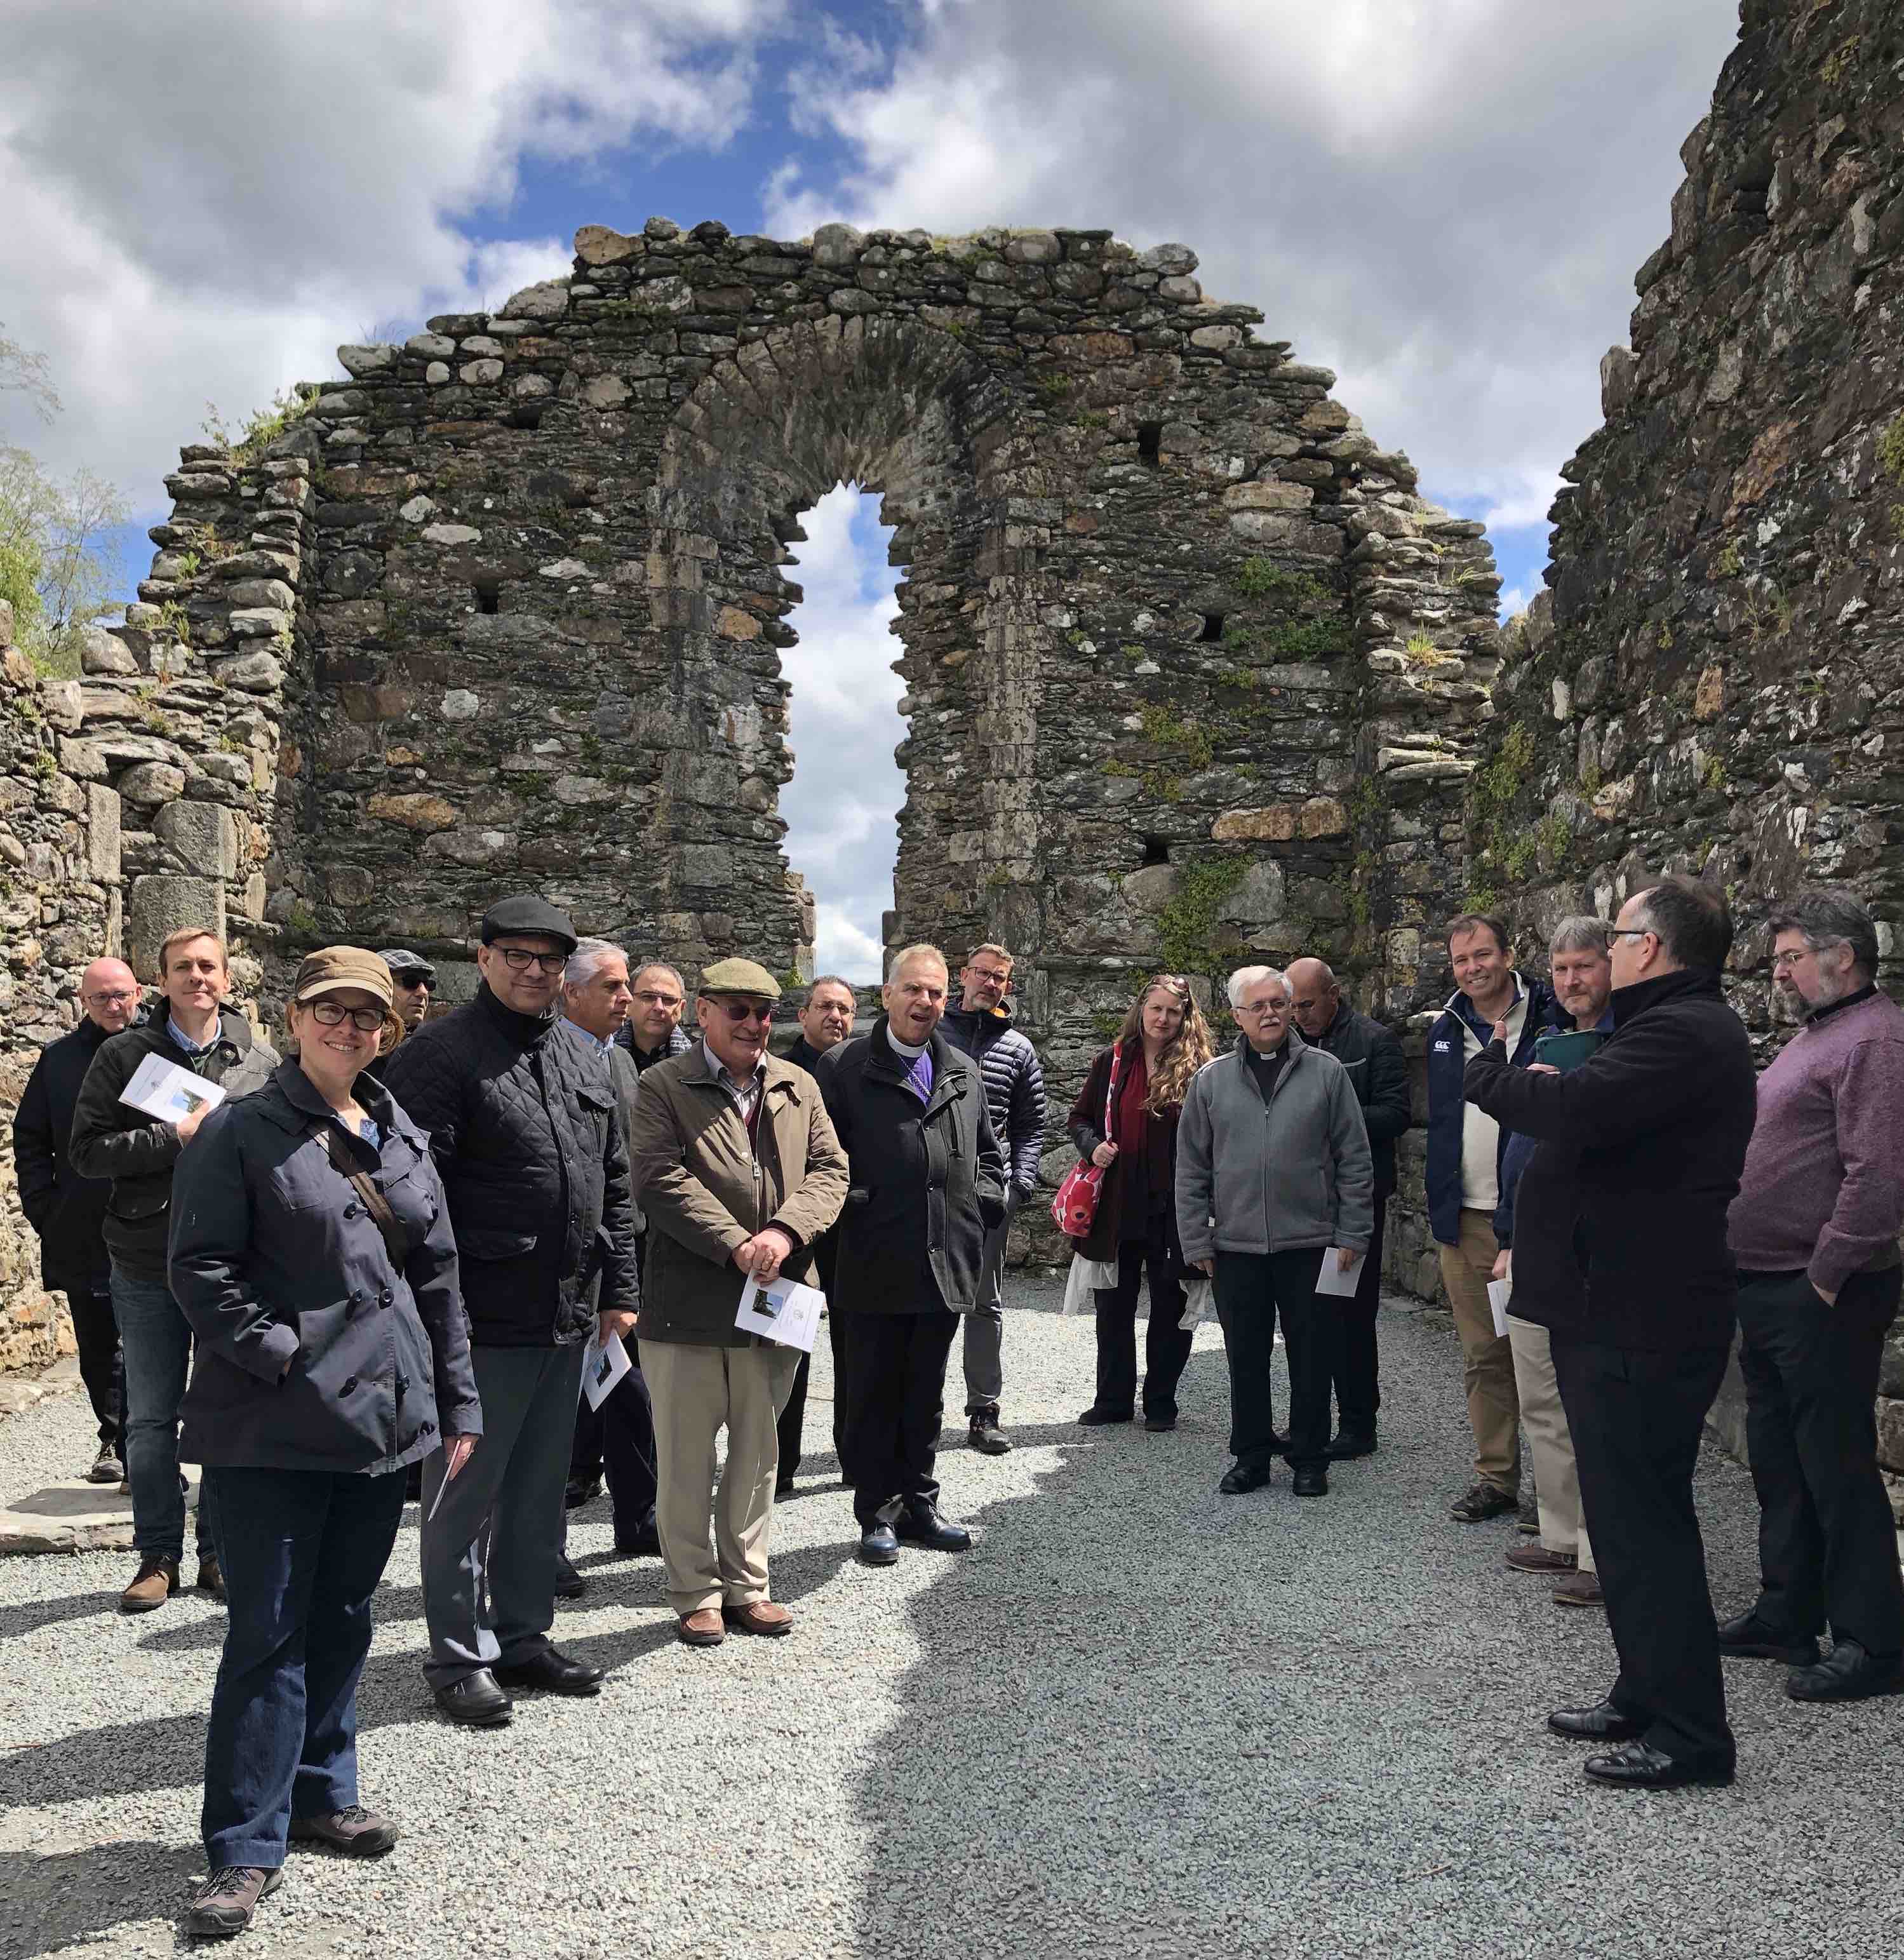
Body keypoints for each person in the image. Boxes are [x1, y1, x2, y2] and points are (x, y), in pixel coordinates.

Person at [167, 949, 481, 1940]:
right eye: (329, 1011)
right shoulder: (240, 1130)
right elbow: (199, 1267)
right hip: (272, 1428)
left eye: (366, 1015)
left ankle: (320, 1792)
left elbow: (438, 1279)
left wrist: (457, 1405)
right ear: (296, 1017)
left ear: (387, 1030)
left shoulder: (400, 1133)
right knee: (267, 1632)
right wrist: (286, 1356)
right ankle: (242, 1844)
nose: (348, 1028)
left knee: (344, 1617)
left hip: (384, 1425)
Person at [1465, 875, 1755, 1790]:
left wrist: (1487, 1074)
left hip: (1642, 1313)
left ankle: (1690, 1736)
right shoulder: (1659, 1031)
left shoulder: (1682, 1031)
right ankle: (1644, 1687)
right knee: (1627, 1520)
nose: (1611, 944)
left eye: (1622, 932)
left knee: (1644, 1525)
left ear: (1654, 949)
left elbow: (1573, 1111)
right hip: (1616, 1308)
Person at [383, 895, 639, 1726]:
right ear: (483, 956)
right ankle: (458, 1655)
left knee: (536, 1488)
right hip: (479, 1315)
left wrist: (621, 1290)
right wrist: (433, 1308)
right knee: (462, 1491)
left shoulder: (583, 1052)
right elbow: (409, 1196)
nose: (532, 969)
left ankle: (523, 1634)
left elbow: (614, 1178)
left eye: (546, 958)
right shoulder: (438, 1054)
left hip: (566, 1309)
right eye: (516, 954)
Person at [627, 959, 848, 1645]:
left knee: (759, 1453)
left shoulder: (798, 1084)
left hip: (777, 1299)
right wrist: (734, 1243)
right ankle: (693, 1589)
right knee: (687, 1457)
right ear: (704, 1010)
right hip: (687, 1304)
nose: (755, 1024)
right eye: (739, 1009)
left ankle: (747, 1584)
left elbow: (831, 1170)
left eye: (764, 1012)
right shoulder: (661, 1085)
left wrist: (782, 1233)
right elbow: (658, 1176)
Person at [1723, 889, 1904, 1702]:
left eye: (1792, 955)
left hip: (1821, 1287)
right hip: (1769, 1281)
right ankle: (1787, 1609)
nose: (1782, 970)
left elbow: (1878, 1176)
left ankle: (1873, 1640)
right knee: (1779, 1457)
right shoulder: (1822, 1032)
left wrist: (1825, 1274)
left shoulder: (1876, 1038)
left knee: (1833, 1462)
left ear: (1843, 955)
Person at [69, 928, 279, 1613]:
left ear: (225, 977)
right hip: (145, 1258)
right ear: (161, 979)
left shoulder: (259, 1058)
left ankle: (218, 1551)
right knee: (152, 1417)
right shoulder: (123, 1055)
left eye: (208, 966)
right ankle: (158, 1553)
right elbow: (86, 1151)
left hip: (232, 1262)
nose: (197, 976)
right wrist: (172, 1137)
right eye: (183, 967)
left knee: (224, 1411)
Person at [819, 944, 1006, 1565]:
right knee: (872, 1390)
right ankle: (875, 1510)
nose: (924, 1002)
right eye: (914, 990)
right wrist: (855, 1205)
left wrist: (982, 1207)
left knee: (925, 1392)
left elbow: (986, 1157)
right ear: (888, 993)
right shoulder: (842, 1068)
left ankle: (920, 1502)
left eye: (935, 992)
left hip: (943, 1258)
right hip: (873, 1256)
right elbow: (817, 1164)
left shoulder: (963, 1071)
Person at [1177, 965, 1372, 1498]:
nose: (1268, 1013)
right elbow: (1192, 1167)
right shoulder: (1210, 1081)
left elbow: (1354, 1159)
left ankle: (1311, 1458)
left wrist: (1353, 1235)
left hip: (1311, 1244)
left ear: (1290, 1010)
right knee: (1245, 1355)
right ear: (1237, 1016)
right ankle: (1252, 1456)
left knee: (1313, 1354)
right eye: (1256, 1006)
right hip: (1236, 1248)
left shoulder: (1327, 1073)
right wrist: (1196, 1239)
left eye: (1277, 1004)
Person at [1489, 918, 1615, 1610]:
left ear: (1613, 965)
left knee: (1593, 1405)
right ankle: (1562, 1531)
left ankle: (1606, 1550)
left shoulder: (1626, 1043)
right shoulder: (1543, 1039)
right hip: (1530, 1246)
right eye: (1561, 968)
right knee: (1539, 1394)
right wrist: (1507, 1232)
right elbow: (1518, 1143)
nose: (1570, 980)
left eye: (1584, 967)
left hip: (1590, 1252)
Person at [1425, 912, 1561, 1523]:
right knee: (1484, 1355)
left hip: (1534, 1217)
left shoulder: (1551, 1016)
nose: (1473, 968)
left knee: (1544, 1360)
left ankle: (1558, 1494)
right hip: (1467, 1217)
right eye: (1461, 960)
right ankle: (1497, 1477)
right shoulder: (1446, 1027)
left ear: (1508, 954)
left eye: (1483, 955)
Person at [12, 957, 140, 1484]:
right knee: (98, 1342)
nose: (114, 1006)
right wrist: (46, 1211)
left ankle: (144, 1446)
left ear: (138, 992)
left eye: (122, 995)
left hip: (158, 1223)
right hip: (83, 1227)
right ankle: (114, 1435)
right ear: (83, 1003)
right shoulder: (59, 1059)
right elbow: (32, 1140)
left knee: (154, 1338)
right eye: (101, 998)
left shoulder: (162, 1049)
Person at [1068, 975, 1215, 1430]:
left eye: (1173, 1011)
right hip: (1119, 1205)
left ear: (1185, 1016)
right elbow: (1079, 1118)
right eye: (1156, 1009)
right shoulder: (1112, 1063)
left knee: (1171, 1308)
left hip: (1175, 1209)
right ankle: (1113, 1400)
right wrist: (1093, 1147)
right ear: (1141, 1009)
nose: (1163, 1019)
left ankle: (1161, 1403)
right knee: (1113, 1308)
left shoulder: (1202, 1069)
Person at [558, 939, 660, 1570]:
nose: (627, 998)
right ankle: (544, 1548)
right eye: (614, 986)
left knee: (629, 1392)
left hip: (623, 1255)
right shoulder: (542, 1057)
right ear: (570, 992)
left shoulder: (622, 1065)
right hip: (566, 1263)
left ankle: (638, 1518)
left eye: (628, 986)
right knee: (558, 1410)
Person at [1285, 956, 1411, 1459]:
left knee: (1352, 1316)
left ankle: (1359, 1424)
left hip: (1355, 1202)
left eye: (1308, 1004)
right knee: (1307, 1316)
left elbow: (1397, 1114)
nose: (1299, 1015)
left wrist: (1332, 1113)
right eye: (1293, 1006)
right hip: (1304, 1202)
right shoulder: (1292, 1042)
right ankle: (1308, 1420)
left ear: (1335, 993)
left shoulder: (1375, 1041)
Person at [939, 943, 1047, 1457]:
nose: (990, 983)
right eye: (982, 973)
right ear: (964, 975)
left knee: (986, 1306)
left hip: (989, 1197)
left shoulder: (1018, 1048)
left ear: (1008, 986)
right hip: (934, 1194)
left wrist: (1018, 1185)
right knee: (928, 1304)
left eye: (1000, 978)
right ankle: (922, 1411)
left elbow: (1030, 1125)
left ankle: (984, 1412)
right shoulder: (931, 1034)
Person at [777, 975, 857, 1493]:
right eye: (826, 1007)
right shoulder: (778, 1071)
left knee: (855, 1347)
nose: (837, 1017)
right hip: (796, 1227)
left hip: (852, 1227)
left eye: (847, 1009)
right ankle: (780, 1465)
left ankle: (854, 1457)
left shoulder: (863, 1068)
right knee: (790, 1347)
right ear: (803, 1014)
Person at [616, 961, 694, 1073]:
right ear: (629, 1002)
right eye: (648, 997)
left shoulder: (699, 1066)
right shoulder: (602, 1057)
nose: (659, 1007)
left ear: (681, 1008)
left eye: (669, 1000)